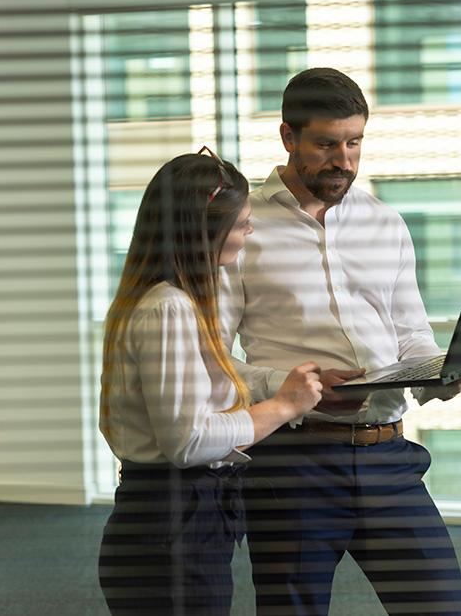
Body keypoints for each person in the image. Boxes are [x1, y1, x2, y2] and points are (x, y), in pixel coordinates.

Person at [220, 68, 461, 615]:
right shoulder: (244, 228)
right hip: (295, 463)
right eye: (326, 144)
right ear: (288, 138)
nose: (343, 160)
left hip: (388, 459)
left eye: (354, 143)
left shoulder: (385, 223)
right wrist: (289, 387)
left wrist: (444, 373)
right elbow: (215, 356)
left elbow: (411, 336)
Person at [97, 149, 324, 616]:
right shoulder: (170, 310)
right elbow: (189, 440)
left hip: (174, 519)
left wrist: (289, 384)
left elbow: (218, 369)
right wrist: (283, 407)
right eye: (241, 223)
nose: (250, 231)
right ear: (204, 230)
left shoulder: (166, 300)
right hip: (172, 524)